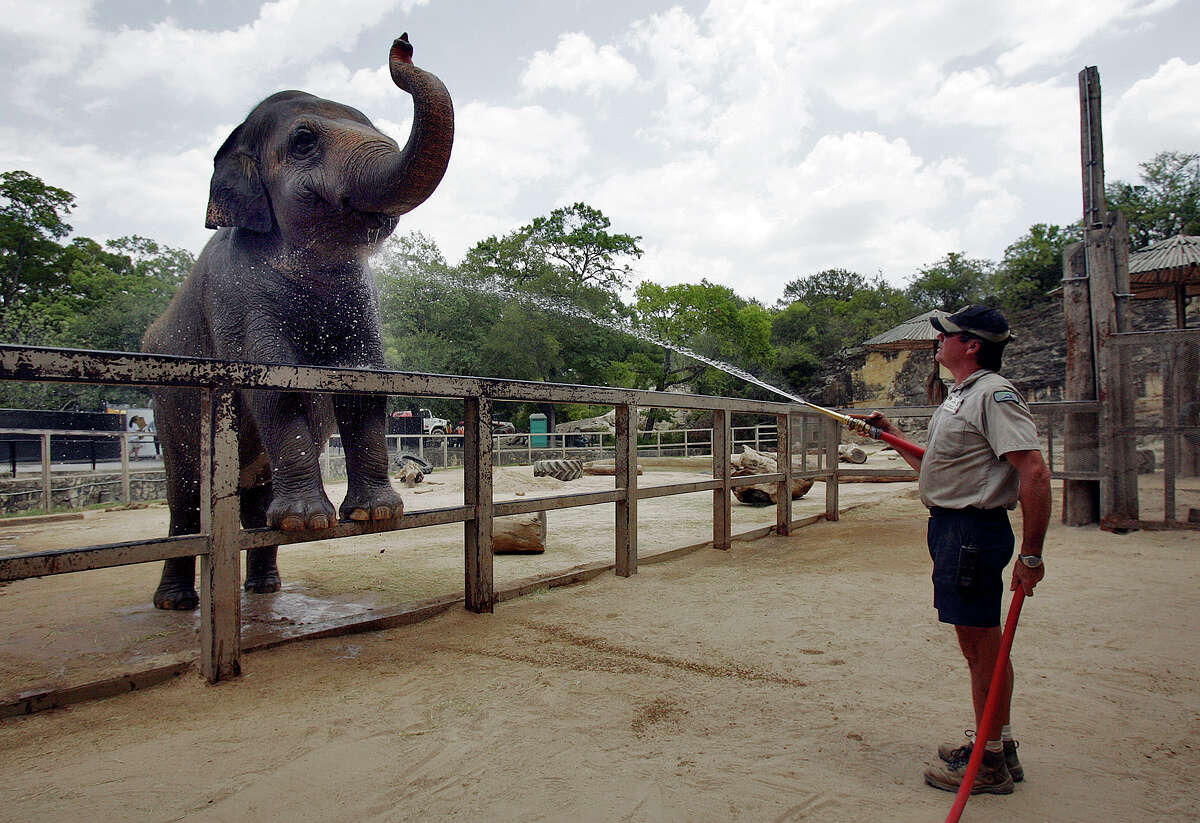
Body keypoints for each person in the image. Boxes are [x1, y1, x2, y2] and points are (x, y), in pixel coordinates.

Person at [855, 305, 1051, 796]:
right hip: (953, 528)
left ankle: (987, 764)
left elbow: (1034, 470)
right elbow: (939, 463)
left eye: (947, 335)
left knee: (981, 646)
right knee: (979, 644)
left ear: (972, 346)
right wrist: (893, 437)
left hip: (971, 531)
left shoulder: (993, 395)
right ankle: (997, 745)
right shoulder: (960, 396)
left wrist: (1031, 554)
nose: (937, 341)